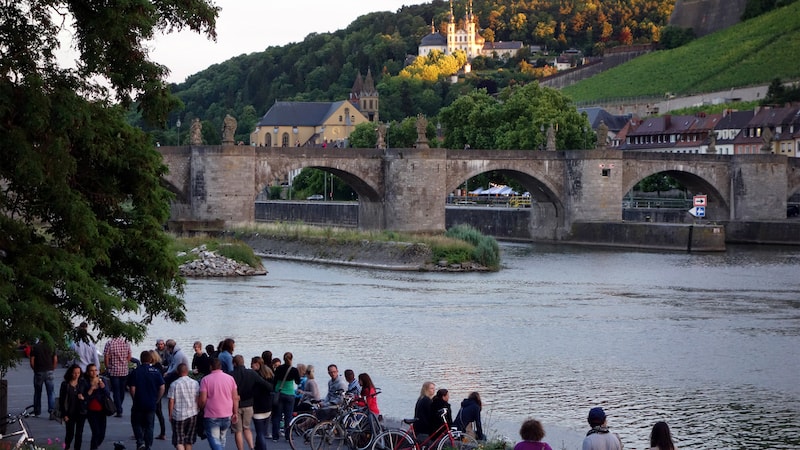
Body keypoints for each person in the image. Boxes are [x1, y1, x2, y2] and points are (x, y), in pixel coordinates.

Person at [231, 355, 272, 450]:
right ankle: (251, 447)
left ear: (234, 363)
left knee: (238, 431)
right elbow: (267, 385)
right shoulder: (251, 374)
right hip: (249, 405)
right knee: (247, 428)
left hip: (236, 405)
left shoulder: (231, 375)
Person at [128, 350, 166, 450]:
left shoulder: (136, 372)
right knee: (149, 425)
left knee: (136, 423)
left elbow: (132, 388)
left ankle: (140, 442)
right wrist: (157, 399)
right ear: (150, 359)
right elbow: (162, 387)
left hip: (139, 402)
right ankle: (148, 444)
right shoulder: (156, 371)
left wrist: (134, 399)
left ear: (141, 359)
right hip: (151, 403)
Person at [199, 358, 239, 450]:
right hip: (227, 413)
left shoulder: (205, 380)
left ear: (210, 367)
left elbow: (203, 399)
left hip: (211, 414)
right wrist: (235, 412)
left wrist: (201, 408)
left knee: (214, 439)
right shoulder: (230, 379)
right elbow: (235, 398)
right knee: (222, 437)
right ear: (220, 366)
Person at [167, 363, 200, 450]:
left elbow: (171, 401)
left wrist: (170, 414)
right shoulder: (195, 383)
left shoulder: (174, 384)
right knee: (189, 441)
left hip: (179, 415)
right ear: (187, 371)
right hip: (192, 414)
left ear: (178, 372)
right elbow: (197, 398)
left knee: (179, 441)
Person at [272, 352, 301, 442]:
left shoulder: (279, 368)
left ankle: (275, 437)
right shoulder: (294, 370)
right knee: (288, 416)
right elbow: (297, 382)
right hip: (289, 394)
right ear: (291, 359)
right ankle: (288, 436)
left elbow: (275, 381)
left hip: (279, 393)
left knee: (277, 416)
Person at [82, 364, 111, 450]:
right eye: (91, 370)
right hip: (91, 411)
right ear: (88, 372)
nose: (94, 372)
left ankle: (95, 445)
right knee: (96, 432)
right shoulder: (85, 382)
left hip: (102, 410)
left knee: (102, 434)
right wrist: (91, 389)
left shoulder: (102, 380)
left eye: (95, 370)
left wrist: (103, 387)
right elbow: (84, 397)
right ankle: (93, 448)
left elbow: (108, 394)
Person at [103, 335, 131, 417]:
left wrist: (107, 367)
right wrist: (125, 363)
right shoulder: (126, 343)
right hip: (124, 371)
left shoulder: (109, 343)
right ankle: (119, 406)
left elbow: (106, 356)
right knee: (122, 390)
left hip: (114, 370)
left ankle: (119, 409)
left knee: (116, 390)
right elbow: (129, 355)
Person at [60, 364, 87, 450]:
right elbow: (62, 400)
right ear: (71, 373)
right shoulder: (65, 385)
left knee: (79, 434)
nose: (76, 375)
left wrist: (83, 398)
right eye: (74, 373)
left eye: (78, 373)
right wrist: (64, 414)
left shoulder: (82, 383)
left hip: (81, 412)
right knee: (70, 433)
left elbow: (88, 396)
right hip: (70, 412)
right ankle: (67, 447)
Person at [30, 338, 58, 418]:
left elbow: (32, 360)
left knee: (37, 392)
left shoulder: (35, 347)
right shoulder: (51, 346)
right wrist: (53, 368)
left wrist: (35, 369)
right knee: (51, 392)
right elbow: (55, 359)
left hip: (39, 371)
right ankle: (52, 411)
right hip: (49, 371)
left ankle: (37, 411)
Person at [250, 358, 275, 450]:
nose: (251, 366)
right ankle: (257, 447)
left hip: (257, 407)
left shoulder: (255, 376)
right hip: (268, 406)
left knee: (260, 433)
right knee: (262, 431)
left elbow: (254, 391)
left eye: (252, 364)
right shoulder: (269, 373)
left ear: (257, 364)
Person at [149, 350, 168, 441]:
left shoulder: (155, 367)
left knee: (153, 412)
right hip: (157, 391)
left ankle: (146, 431)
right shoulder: (159, 366)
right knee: (159, 413)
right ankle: (163, 432)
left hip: (154, 391)